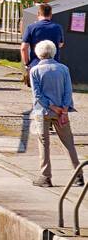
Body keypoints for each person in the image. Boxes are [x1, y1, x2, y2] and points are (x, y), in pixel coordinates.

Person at [29, 39, 82, 188]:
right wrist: (64, 109)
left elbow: (37, 95)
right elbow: (68, 91)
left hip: (43, 112)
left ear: (38, 53)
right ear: (53, 52)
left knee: (44, 143)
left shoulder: (35, 71)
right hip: (62, 113)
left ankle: (46, 177)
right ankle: (78, 175)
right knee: (68, 143)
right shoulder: (64, 69)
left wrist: (52, 107)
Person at [21, 2, 63, 85]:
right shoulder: (58, 27)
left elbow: (23, 48)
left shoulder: (31, 27)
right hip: (54, 66)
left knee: (37, 93)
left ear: (38, 14)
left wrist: (27, 64)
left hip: (36, 65)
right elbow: (60, 44)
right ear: (51, 14)